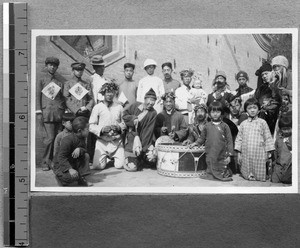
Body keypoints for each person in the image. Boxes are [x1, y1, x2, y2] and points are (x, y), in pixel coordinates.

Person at [189, 101, 234, 181]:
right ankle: (211, 174)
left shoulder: (225, 126)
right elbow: (202, 138)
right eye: (213, 112)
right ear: (209, 114)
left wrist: (229, 155)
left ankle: (224, 173)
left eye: (218, 111)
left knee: (221, 167)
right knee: (210, 164)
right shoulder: (207, 126)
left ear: (221, 113)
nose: (215, 114)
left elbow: (230, 141)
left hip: (222, 152)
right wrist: (195, 143)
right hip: (210, 151)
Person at [36, 57, 66, 171]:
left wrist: (63, 110)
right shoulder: (42, 80)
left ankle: (54, 161)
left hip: (58, 114)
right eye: (50, 65)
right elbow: (37, 96)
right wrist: (39, 111)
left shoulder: (59, 82)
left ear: (57, 67)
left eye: (54, 65)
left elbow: (61, 98)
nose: (52, 67)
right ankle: (44, 161)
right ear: (46, 66)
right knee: (50, 138)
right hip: (47, 113)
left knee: (57, 138)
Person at [235, 98, 275, 181]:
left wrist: (268, 152)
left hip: (259, 152)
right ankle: (248, 175)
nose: (252, 110)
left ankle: (259, 177)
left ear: (259, 110)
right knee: (246, 171)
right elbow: (239, 139)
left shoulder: (262, 122)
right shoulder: (243, 124)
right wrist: (239, 153)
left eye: (254, 108)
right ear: (246, 110)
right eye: (250, 108)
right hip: (246, 152)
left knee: (259, 170)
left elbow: (267, 137)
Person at [89, 82, 126, 170]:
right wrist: (101, 129)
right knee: (98, 166)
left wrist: (118, 127)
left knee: (120, 165)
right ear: (103, 93)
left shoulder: (119, 107)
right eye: (107, 92)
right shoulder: (97, 107)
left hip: (116, 141)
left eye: (112, 92)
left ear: (114, 93)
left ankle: (113, 158)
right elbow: (91, 125)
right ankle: (106, 159)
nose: (109, 94)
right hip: (102, 142)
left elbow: (124, 123)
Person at [123, 88, 158, 170]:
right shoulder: (135, 105)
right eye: (149, 100)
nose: (151, 103)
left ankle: (140, 158)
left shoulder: (153, 113)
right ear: (145, 99)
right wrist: (133, 118)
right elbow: (124, 115)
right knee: (132, 168)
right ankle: (133, 159)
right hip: (131, 141)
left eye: (153, 101)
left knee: (152, 161)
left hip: (144, 143)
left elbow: (148, 132)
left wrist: (144, 148)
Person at [53, 116, 93, 186]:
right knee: (71, 178)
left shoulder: (82, 138)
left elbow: (85, 149)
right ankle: (60, 177)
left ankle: (82, 178)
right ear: (80, 131)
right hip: (61, 165)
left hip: (72, 161)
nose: (89, 130)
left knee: (86, 155)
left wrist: (80, 149)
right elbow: (61, 157)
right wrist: (69, 169)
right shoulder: (67, 140)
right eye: (87, 129)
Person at [254, 62, 280, 135]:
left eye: (266, 73)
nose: (264, 76)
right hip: (262, 117)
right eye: (262, 75)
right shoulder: (260, 89)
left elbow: (277, 102)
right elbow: (255, 100)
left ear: (272, 73)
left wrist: (267, 107)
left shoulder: (277, 85)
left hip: (274, 118)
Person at [182, 104, 209, 173]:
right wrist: (188, 141)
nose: (200, 113)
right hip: (197, 152)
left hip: (207, 151)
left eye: (202, 111)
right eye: (198, 112)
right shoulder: (192, 126)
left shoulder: (209, 125)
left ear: (206, 113)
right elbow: (191, 137)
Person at [271, 116, 292, 184]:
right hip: (279, 165)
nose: (286, 131)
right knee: (274, 181)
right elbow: (275, 152)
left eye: (288, 129)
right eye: (284, 129)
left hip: (290, 166)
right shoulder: (279, 139)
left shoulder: (294, 138)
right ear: (280, 129)